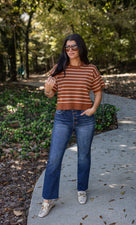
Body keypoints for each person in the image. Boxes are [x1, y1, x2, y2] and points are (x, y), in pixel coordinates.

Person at [38, 34, 105, 218]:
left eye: (74, 47)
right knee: (54, 159)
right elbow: (50, 94)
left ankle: (82, 189)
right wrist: (47, 89)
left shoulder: (91, 69)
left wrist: (93, 109)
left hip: (85, 117)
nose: (70, 50)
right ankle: (47, 200)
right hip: (63, 117)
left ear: (81, 48)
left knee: (83, 156)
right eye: (67, 48)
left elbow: (98, 92)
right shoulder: (58, 69)